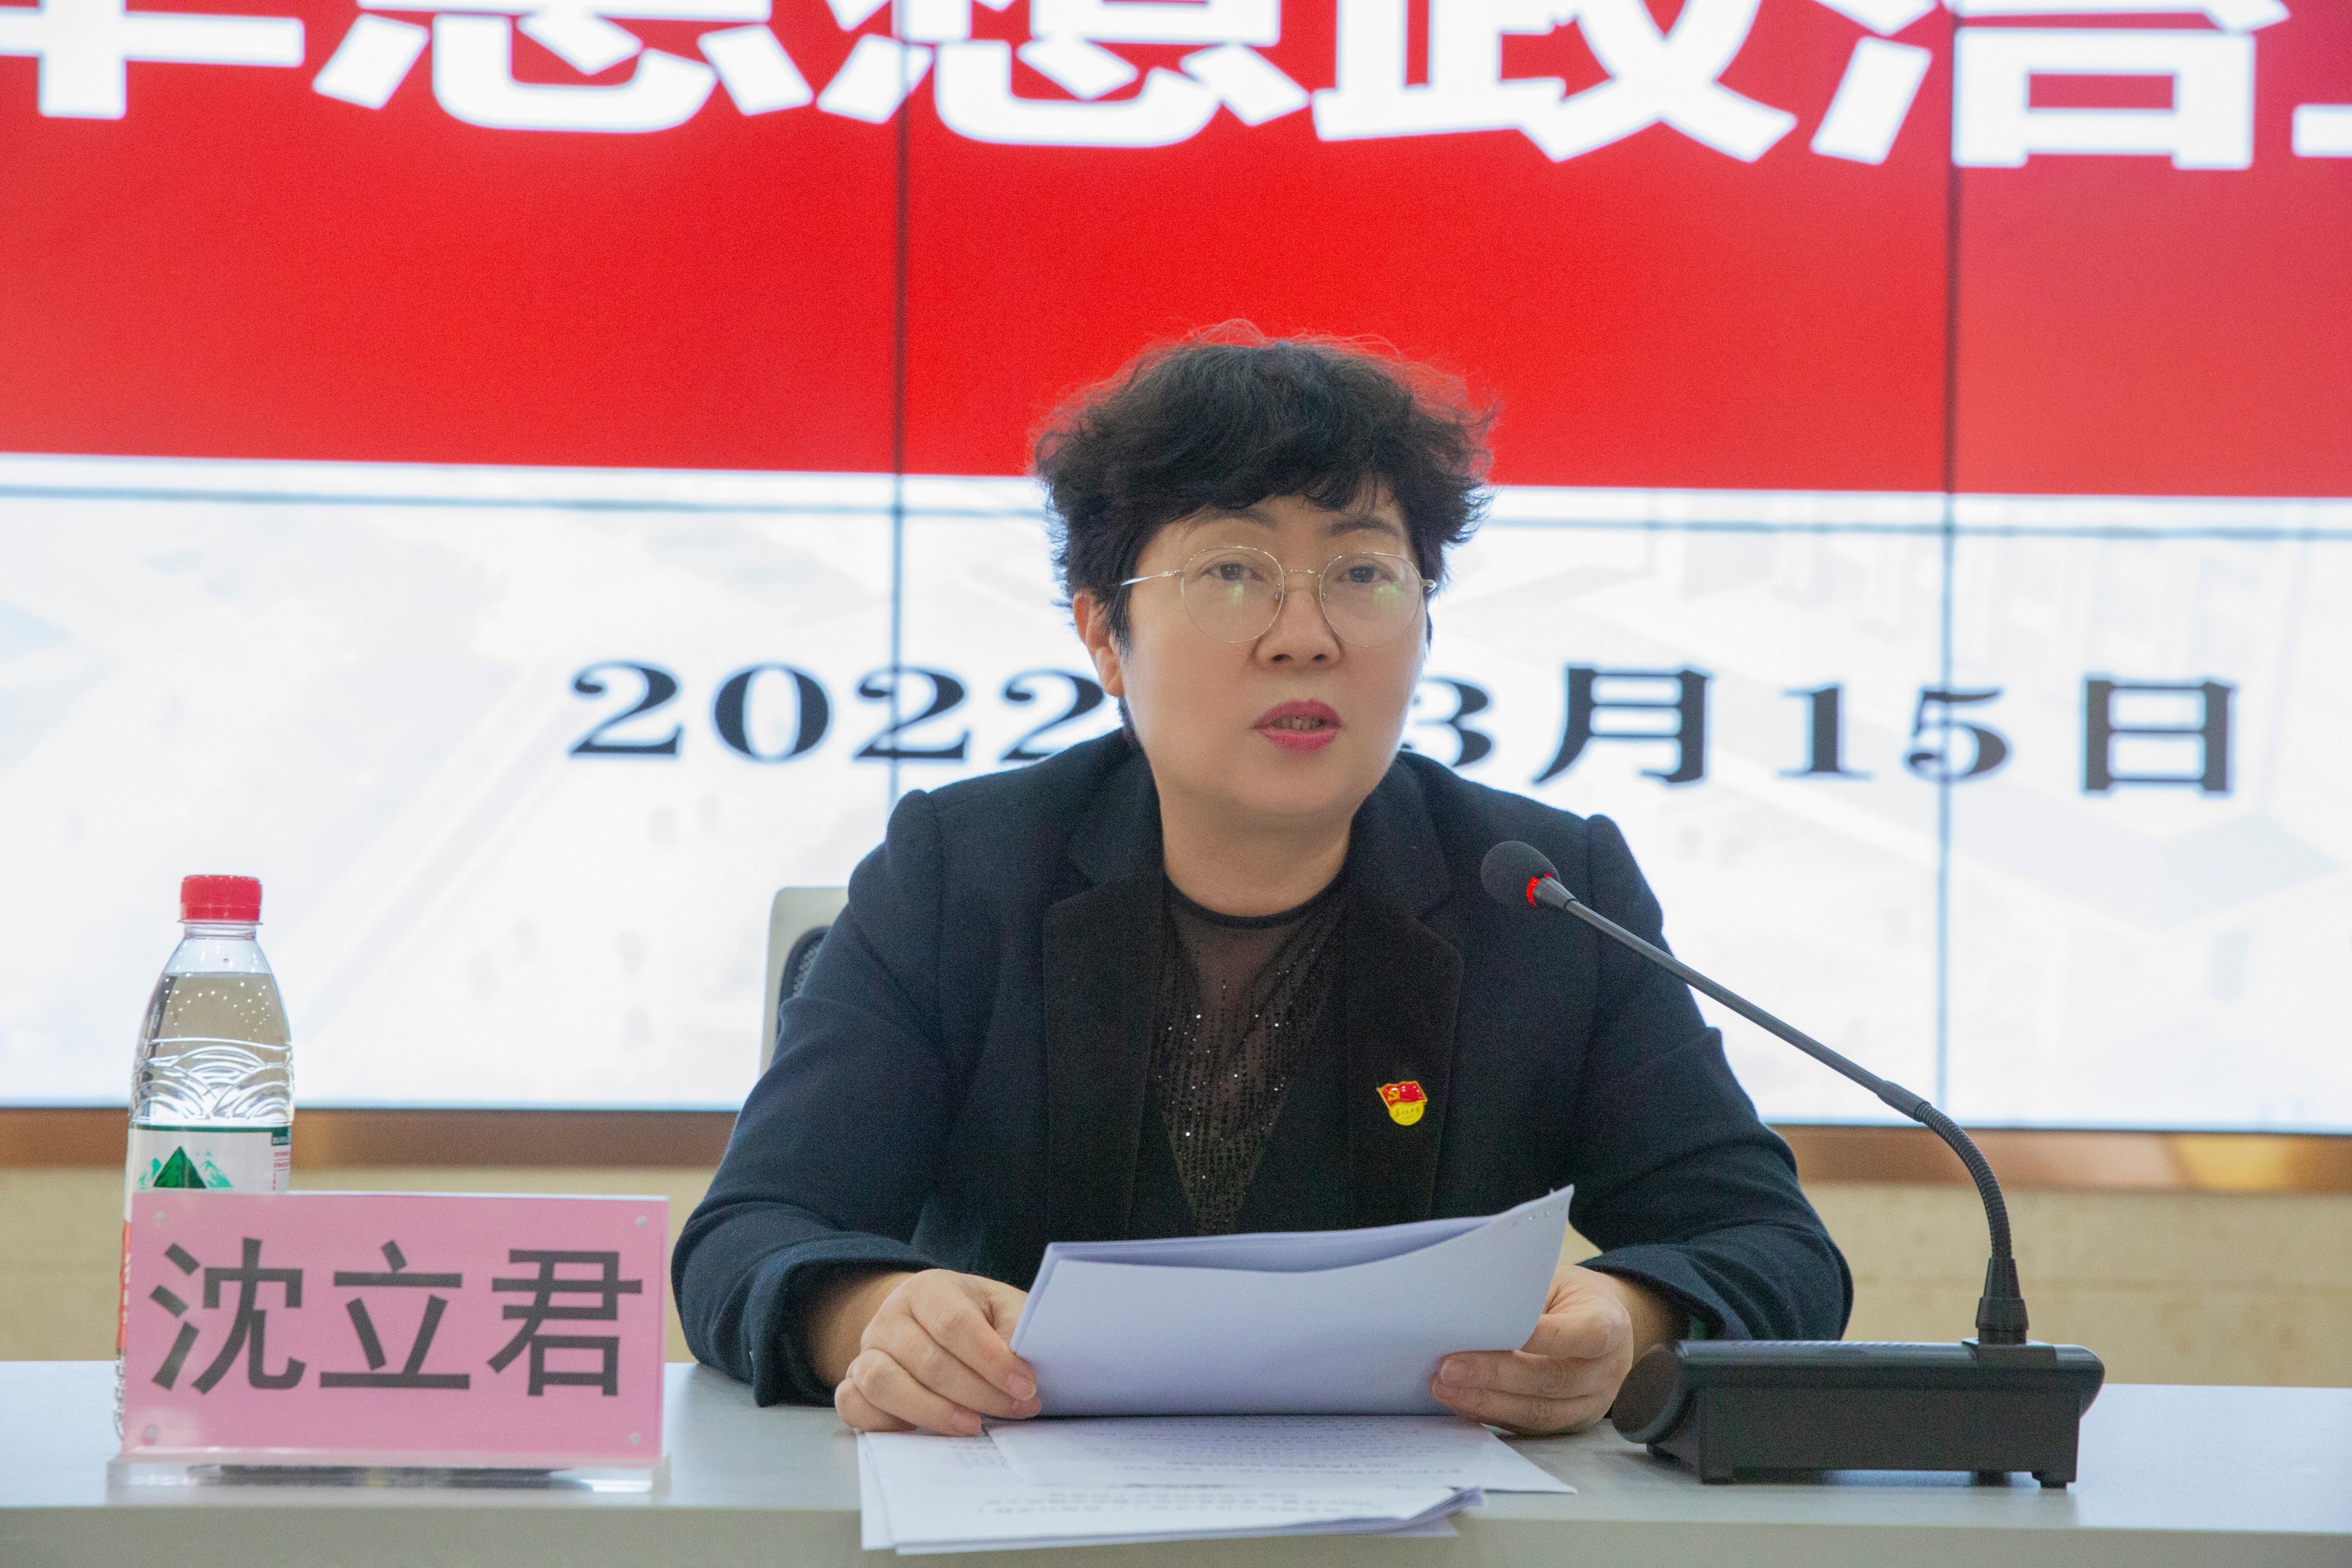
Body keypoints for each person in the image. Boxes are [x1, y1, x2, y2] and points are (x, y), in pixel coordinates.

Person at [674, 331, 1850, 1439]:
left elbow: (1770, 1246)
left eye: (1362, 573)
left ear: (1426, 624)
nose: (1304, 635)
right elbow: (751, 1233)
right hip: (1022, 1526)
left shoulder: (1542, 894)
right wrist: (874, 1318)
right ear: (1104, 634)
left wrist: (1627, 1322)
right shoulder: (961, 872)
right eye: (1233, 572)